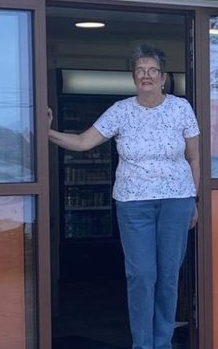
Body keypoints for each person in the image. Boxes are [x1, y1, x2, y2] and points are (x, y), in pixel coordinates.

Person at [48, 43, 200, 349]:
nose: (146, 76)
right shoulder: (121, 111)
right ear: (134, 78)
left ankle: (163, 343)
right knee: (142, 275)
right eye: (140, 71)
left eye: (152, 70)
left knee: (168, 276)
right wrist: (46, 131)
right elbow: (81, 142)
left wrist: (194, 201)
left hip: (177, 201)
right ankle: (143, 345)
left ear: (163, 77)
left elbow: (195, 158)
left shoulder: (181, 108)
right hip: (133, 204)